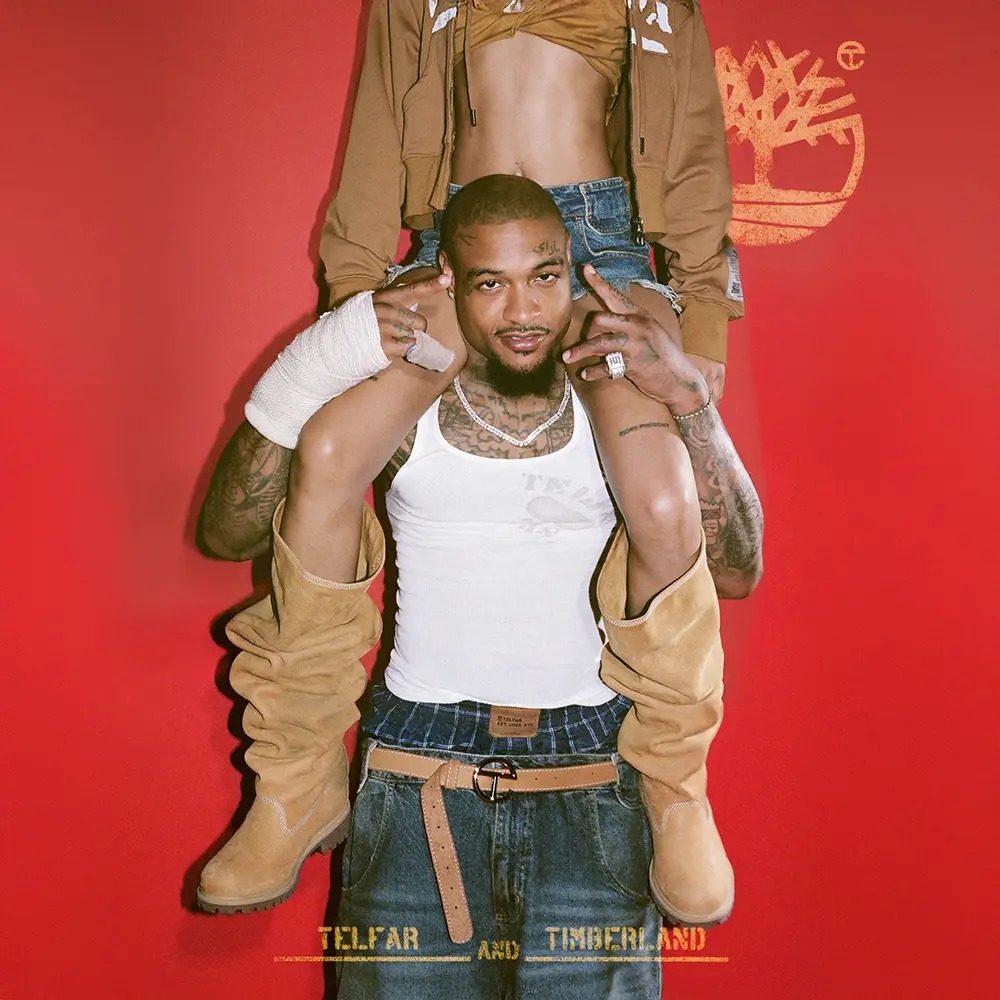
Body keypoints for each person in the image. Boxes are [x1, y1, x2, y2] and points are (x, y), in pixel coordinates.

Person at [195, 177, 763, 988]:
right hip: (414, 774)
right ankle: (292, 789)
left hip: (595, 776)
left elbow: (736, 569)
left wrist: (693, 400)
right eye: (490, 283)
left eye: (544, 276)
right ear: (450, 284)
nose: (523, 311)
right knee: (325, 457)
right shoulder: (401, 386)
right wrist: (319, 360)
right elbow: (228, 531)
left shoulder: (623, 384)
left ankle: (681, 795)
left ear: (575, 272)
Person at [319, 0, 742, 402]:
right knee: (337, 438)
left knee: (649, 449)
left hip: (595, 247)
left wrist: (704, 317)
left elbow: (694, 152)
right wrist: (350, 297)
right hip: (463, 251)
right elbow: (378, 134)